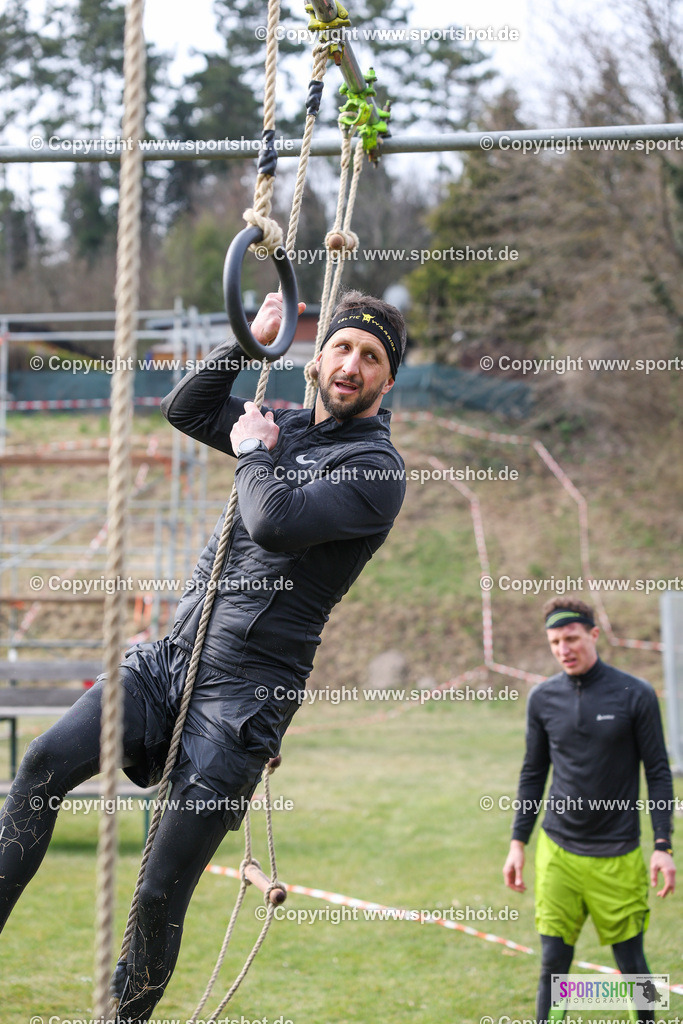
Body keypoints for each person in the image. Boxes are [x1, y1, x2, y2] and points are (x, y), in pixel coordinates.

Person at [0, 288, 407, 1023]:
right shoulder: (282, 423)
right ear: (317, 360)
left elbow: (274, 521)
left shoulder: (376, 469)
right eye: (342, 347)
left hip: (243, 704)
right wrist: (247, 343)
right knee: (41, 764)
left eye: (371, 357)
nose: (352, 365)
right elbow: (186, 409)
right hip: (170, 661)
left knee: (159, 892)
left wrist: (252, 451)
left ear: (387, 380)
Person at [502, 597, 675, 1024]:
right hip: (558, 853)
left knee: (633, 965)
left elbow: (657, 772)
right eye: (555, 642)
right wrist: (518, 842)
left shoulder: (635, 694)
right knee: (552, 964)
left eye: (572, 638)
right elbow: (533, 773)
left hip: (617, 856)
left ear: (594, 634)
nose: (564, 650)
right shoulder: (543, 698)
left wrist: (662, 844)